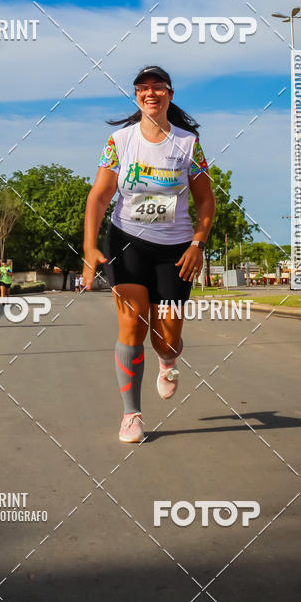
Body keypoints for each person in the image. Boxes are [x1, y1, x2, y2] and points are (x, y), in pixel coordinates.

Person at [83, 66, 215, 443]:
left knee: (166, 338)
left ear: (170, 94)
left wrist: (197, 244)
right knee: (131, 324)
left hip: (175, 249)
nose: (150, 93)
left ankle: (168, 358)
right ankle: (131, 415)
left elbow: (206, 201)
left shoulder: (188, 144)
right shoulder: (120, 141)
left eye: (158, 87)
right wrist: (90, 247)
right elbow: (99, 197)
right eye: (143, 87)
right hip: (126, 241)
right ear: (137, 95)